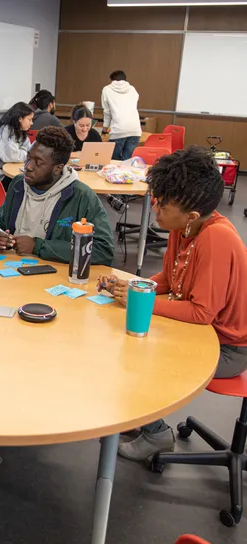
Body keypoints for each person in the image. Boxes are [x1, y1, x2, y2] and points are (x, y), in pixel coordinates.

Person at [97, 147, 247, 461]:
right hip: (203, 330)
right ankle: (140, 418)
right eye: (157, 196)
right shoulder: (184, 227)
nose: (155, 206)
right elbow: (169, 277)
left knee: (142, 356)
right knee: (124, 338)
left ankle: (156, 434)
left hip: (227, 347)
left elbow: (202, 312)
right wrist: (136, 286)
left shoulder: (216, 239)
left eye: (163, 204)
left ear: (191, 214)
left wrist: (140, 300)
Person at [0, 126, 114, 265]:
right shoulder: (18, 185)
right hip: (11, 267)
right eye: (28, 158)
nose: (28, 166)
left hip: (55, 275)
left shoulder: (82, 197)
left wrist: (38, 246)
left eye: (38, 162)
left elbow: (103, 251)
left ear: (57, 168)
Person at [101, 70, 141, 161]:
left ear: (112, 80)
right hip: (135, 130)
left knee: (114, 161)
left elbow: (107, 112)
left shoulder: (107, 89)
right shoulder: (132, 89)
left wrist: (104, 131)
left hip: (118, 130)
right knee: (127, 161)